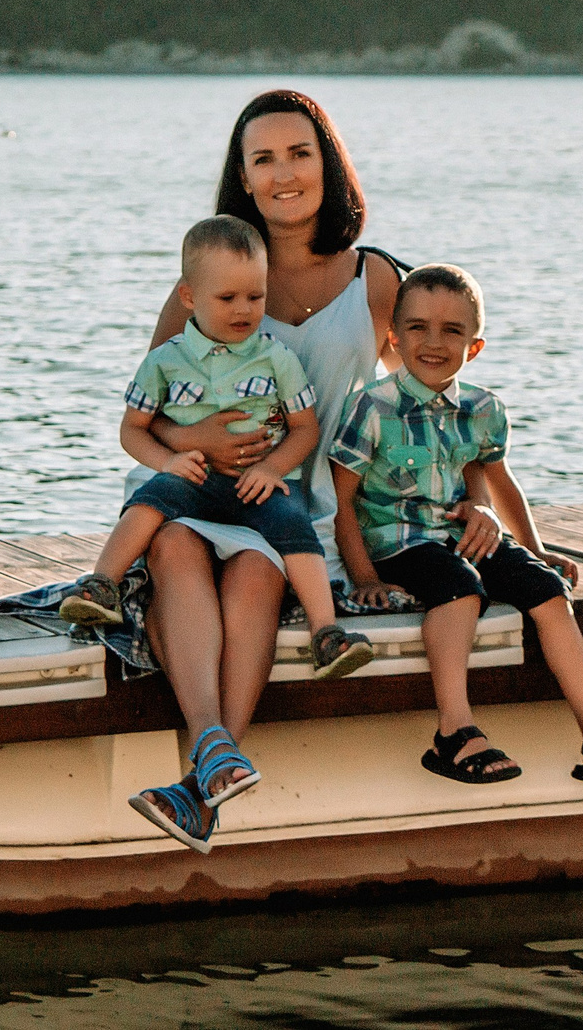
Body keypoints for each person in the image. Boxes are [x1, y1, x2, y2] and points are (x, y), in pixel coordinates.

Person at [122, 90, 406, 852]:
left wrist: (496, 518)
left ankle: (205, 771)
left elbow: (437, 405)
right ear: (242, 178)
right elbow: (145, 413)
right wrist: (200, 435)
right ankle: (214, 760)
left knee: (255, 573)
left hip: (295, 505)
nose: (284, 172)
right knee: (177, 552)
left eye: (300, 152)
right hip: (191, 487)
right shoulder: (207, 280)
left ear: (329, 164)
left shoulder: (375, 281)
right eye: (264, 158)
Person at [329, 263, 583, 787]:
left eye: (452, 330)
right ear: (394, 337)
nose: (433, 342)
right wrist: (364, 577)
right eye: (417, 327)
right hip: (397, 540)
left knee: (547, 590)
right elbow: (340, 504)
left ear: (475, 346)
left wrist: (535, 549)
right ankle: (455, 731)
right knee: (460, 590)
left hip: (467, 534)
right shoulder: (369, 409)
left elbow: (499, 483)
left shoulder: (484, 409)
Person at [58, 214, 374, 687]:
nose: (244, 309)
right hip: (197, 479)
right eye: (227, 298)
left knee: (296, 529)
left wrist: (272, 468)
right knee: (150, 500)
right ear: (189, 297)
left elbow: (305, 430)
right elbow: (133, 429)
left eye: (255, 296)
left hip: (260, 484)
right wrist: (168, 461)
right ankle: (102, 584)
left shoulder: (276, 358)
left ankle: (326, 631)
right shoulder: (165, 362)